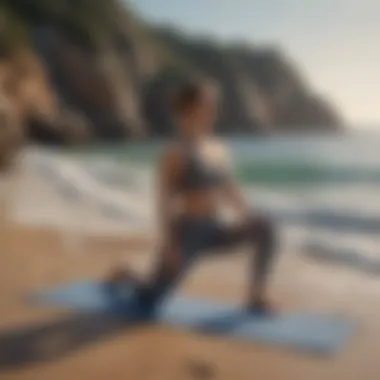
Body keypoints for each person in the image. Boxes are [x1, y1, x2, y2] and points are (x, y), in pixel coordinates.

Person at [107, 78, 279, 315]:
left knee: (266, 226)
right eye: (208, 104)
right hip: (188, 234)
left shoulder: (218, 148)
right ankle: (126, 275)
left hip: (217, 229)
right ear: (189, 108)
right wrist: (169, 245)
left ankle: (255, 296)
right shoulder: (175, 152)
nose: (214, 111)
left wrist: (247, 216)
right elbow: (163, 203)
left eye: (214, 106)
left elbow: (230, 189)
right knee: (150, 299)